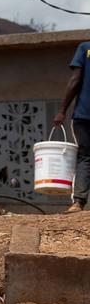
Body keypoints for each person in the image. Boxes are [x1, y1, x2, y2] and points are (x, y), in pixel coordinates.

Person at [53, 39, 90, 212]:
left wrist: (62, 110)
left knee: (85, 157)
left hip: (83, 114)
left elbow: (75, 80)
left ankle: (78, 202)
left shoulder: (85, 48)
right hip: (83, 115)